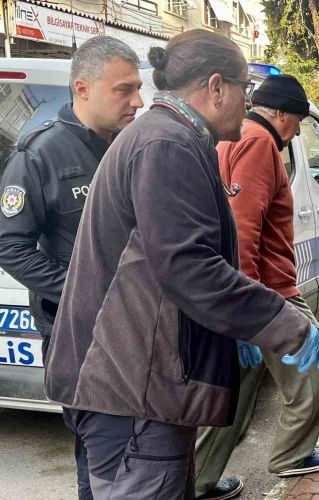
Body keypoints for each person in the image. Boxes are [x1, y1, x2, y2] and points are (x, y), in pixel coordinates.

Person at [45, 29, 319, 500]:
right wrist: (285, 324)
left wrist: (235, 331)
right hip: (131, 390)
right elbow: (189, 266)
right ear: (216, 87)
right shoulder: (167, 143)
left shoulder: (169, 137)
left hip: (129, 383)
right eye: (244, 89)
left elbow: (168, 267)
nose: (248, 104)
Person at [0, 36, 143, 500]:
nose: (137, 101)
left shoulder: (131, 145)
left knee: (142, 451)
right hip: (79, 334)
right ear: (82, 88)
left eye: (138, 88)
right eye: (124, 90)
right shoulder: (41, 154)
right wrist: (83, 289)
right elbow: (10, 245)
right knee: (100, 459)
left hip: (136, 326)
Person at [194, 74, 319, 500]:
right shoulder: (258, 143)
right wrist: (247, 309)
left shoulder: (232, 139)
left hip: (242, 289)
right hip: (268, 291)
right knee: (316, 354)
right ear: (278, 113)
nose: (296, 132)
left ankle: (198, 481)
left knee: (237, 384)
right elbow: (243, 228)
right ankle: (293, 455)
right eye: (296, 121)